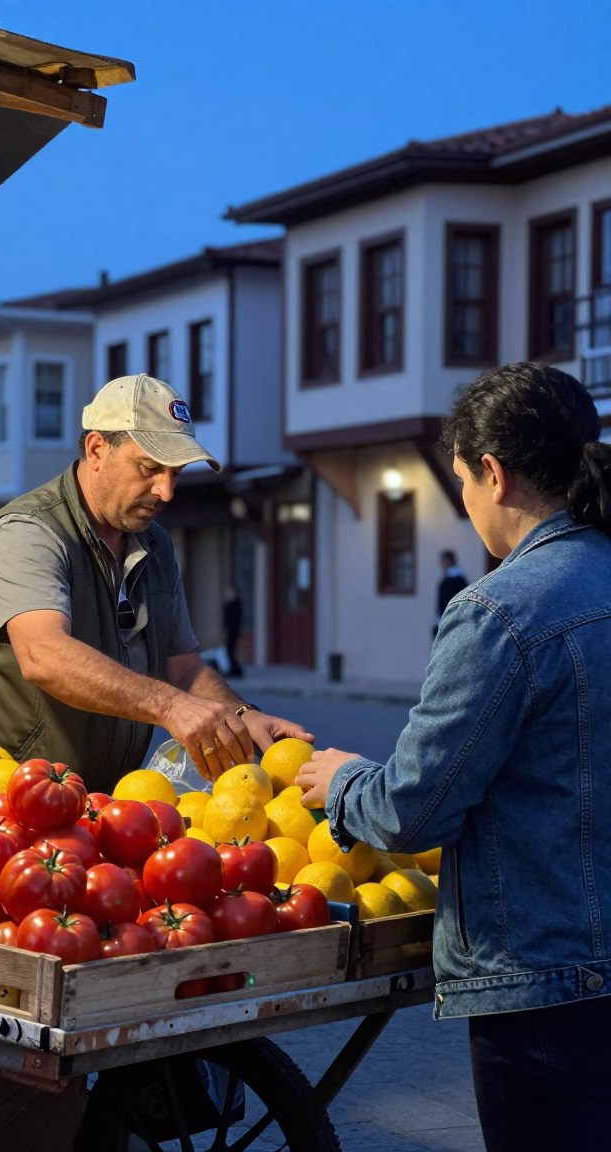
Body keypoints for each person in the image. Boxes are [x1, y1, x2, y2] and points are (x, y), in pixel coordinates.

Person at [296, 363, 611, 1152]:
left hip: (544, 990)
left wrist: (341, 781)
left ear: (494, 475)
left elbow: (413, 810)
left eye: (464, 479)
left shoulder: (499, 611)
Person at [0, 373, 312, 792]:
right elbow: (44, 654)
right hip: (10, 801)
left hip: (105, 803)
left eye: (175, 474)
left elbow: (183, 667)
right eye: (149, 468)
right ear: (96, 450)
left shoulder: (154, 542)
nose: (166, 491)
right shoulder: (28, 531)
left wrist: (241, 714)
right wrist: (170, 706)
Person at [432, 549, 467, 638]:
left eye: (443, 561)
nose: (441, 564)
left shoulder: (454, 581)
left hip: (449, 623)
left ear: (449, 561)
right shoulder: (451, 579)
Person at [223, 584, 244, 677]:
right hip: (229, 629)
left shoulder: (236, 605)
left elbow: (236, 619)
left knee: (230, 649)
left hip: (234, 630)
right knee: (229, 649)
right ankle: (234, 668)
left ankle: (236, 669)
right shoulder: (228, 604)